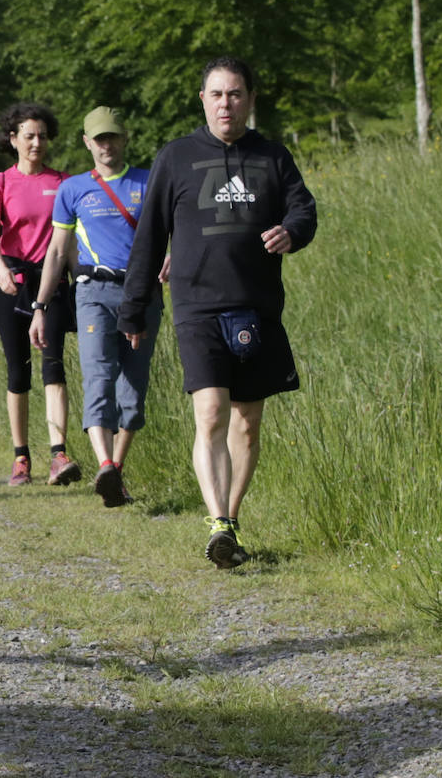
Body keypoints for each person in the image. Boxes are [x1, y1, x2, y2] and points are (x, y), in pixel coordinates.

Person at [119, 56, 317, 569]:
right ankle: (219, 523)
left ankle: (229, 519)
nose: (226, 103)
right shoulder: (176, 158)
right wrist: (135, 309)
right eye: (216, 94)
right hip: (196, 304)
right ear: (202, 100)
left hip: (257, 306)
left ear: (250, 99)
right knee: (210, 412)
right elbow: (149, 238)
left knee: (247, 422)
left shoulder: (272, 157)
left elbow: (304, 208)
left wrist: (292, 231)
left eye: (235, 94)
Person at [30, 106, 162, 508]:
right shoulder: (73, 190)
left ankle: (114, 472)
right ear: (87, 143)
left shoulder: (148, 181)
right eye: (98, 139)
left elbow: (172, 229)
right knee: (99, 377)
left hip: (141, 295)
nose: (107, 145)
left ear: (125, 138)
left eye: (113, 137)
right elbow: (56, 252)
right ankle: (105, 463)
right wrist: (40, 305)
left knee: (133, 390)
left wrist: (175, 256)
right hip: (92, 293)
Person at [0, 101, 80, 488]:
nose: (36, 142)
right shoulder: (0, 182)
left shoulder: (64, 182)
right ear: (13, 140)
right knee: (17, 369)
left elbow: (69, 241)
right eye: (28, 136)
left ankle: (59, 453)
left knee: (54, 364)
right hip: (12, 282)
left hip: (50, 282)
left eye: (41, 136)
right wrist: (0, 269)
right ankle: (21, 457)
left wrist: (79, 278)